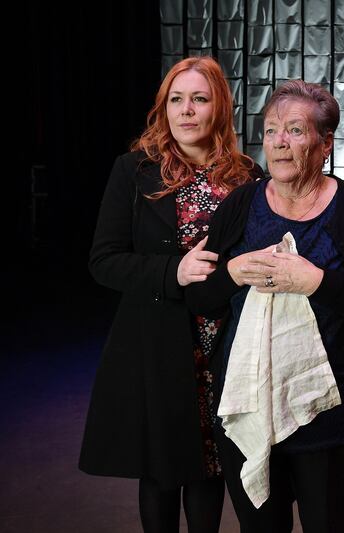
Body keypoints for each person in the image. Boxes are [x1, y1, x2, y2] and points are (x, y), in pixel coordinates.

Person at [184, 80, 344, 532]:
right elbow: (200, 297)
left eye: (295, 130)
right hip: (252, 407)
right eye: (271, 130)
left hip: (332, 420)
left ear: (325, 144)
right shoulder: (242, 204)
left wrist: (317, 282)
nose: (279, 142)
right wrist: (232, 272)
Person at [79, 56, 262, 532]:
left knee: (212, 466)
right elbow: (103, 260)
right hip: (159, 340)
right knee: (161, 471)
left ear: (219, 107)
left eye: (199, 99)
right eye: (176, 99)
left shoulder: (247, 176)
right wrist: (172, 271)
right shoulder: (134, 170)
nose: (186, 110)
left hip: (226, 343)